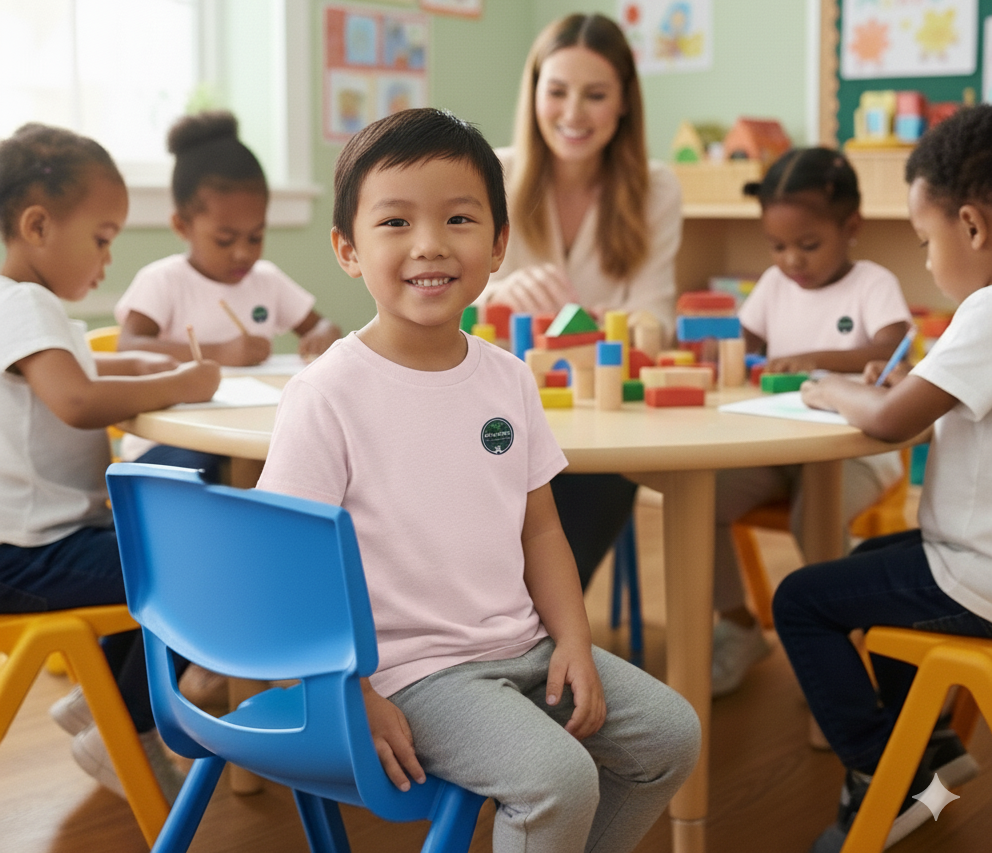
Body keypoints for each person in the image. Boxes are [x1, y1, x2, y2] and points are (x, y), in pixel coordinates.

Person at [258, 108, 700, 853]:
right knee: (558, 779)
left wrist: (573, 639)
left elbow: (541, 528)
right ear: (347, 248)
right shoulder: (326, 392)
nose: (429, 244)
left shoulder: (508, 378)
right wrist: (348, 690)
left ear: (498, 244)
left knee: (671, 737)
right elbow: (285, 565)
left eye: (458, 219)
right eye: (394, 222)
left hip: (519, 645)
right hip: (407, 672)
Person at [773, 105, 992, 852]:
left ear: (972, 226)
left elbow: (893, 421)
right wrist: (884, 384)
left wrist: (830, 388)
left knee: (801, 600)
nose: (926, 260)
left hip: (977, 576)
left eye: (926, 239)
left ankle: (882, 773)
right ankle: (931, 748)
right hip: (967, 562)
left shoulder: (988, 311)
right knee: (866, 569)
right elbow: (923, 400)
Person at [0, 123, 220, 800]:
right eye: (101, 238)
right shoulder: (22, 300)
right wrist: (179, 385)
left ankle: (102, 704)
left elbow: (90, 361)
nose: (107, 258)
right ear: (37, 226)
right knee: (202, 564)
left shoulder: (27, 308)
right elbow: (74, 397)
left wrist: (154, 360)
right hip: (32, 557)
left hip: (39, 548)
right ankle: (125, 726)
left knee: (175, 517)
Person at [483, 13, 683, 589]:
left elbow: (656, 317)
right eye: (558, 92)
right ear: (534, 94)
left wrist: (609, 327)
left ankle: (537, 644)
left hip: (595, 425)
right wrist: (498, 293)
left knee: (596, 479)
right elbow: (448, 303)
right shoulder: (491, 172)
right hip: (498, 412)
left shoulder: (657, 188)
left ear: (624, 103)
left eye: (595, 95)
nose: (573, 114)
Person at [712, 148, 912, 696]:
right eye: (776, 247)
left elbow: (893, 346)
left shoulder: (872, 282)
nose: (791, 262)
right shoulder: (775, 286)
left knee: (813, 520)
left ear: (851, 227)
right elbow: (741, 341)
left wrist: (815, 358)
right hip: (778, 449)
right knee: (702, 498)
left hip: (858, 453)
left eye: (807, 245)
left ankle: (840, 650)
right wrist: (720, 346)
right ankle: (737, 624)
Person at [114, 110, 340, 474]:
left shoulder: (266, 280)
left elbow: (323, 325)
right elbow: (129, 346)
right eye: (224, 239)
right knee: (219, 471)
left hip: (245, 430)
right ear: (181, 225)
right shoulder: (164, 281)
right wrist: (220, 353)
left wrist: (321, 336)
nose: (243, 253)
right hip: (170, 442)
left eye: (256, 237)